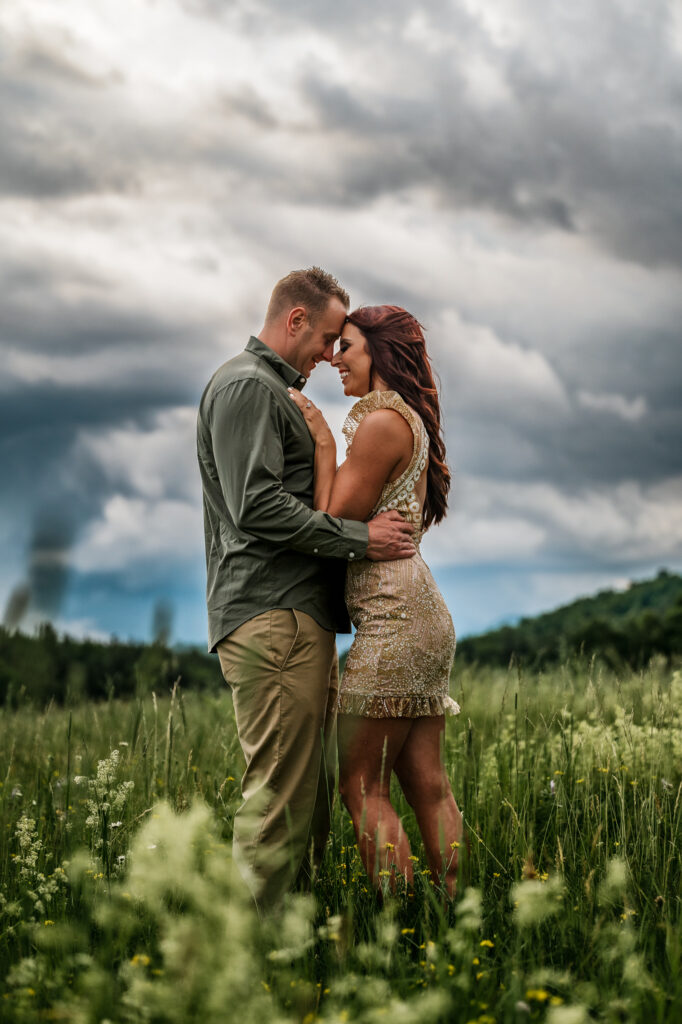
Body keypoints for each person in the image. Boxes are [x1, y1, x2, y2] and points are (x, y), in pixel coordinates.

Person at [196, 269, 415, 912]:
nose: (328, 354)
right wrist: (360, 539)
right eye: (324, 337)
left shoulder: (273, 391)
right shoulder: (246, 387)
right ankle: (242, 963)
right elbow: (255, 506)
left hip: (295, 617)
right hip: (272, 616)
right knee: (279, 801)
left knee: (307, 799)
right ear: (294, 320)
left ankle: (293, 952)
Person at [288, 304, 463, 897]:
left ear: (381, 354)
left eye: (349, 347)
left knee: (361, 786)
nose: (335, 359)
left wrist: (319, 442)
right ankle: (454, 917)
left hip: (392, 619)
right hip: (421, 614)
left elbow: (330, 524)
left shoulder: (383, 422)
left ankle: (400, 925)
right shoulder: (404, 418)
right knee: (428, 786)